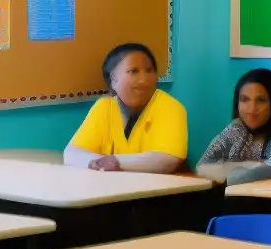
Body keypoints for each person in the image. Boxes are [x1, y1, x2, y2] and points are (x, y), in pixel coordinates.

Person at [66, 42, 188, 173]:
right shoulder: (104, 107)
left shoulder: (170, 107)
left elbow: (168, 160)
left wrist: (116, 161)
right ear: (113, 80)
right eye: (133, 71)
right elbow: (72, 152)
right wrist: (95, 163)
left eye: (149, 70)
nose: (144, 79)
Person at [194, 68, 271, 185]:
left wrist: (226, 169)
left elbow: (270, 169)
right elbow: (202, 166)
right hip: (240, 199)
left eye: (261, 100)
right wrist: (247, 166)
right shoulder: (237, 128)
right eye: (244, 100)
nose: (251, 109)